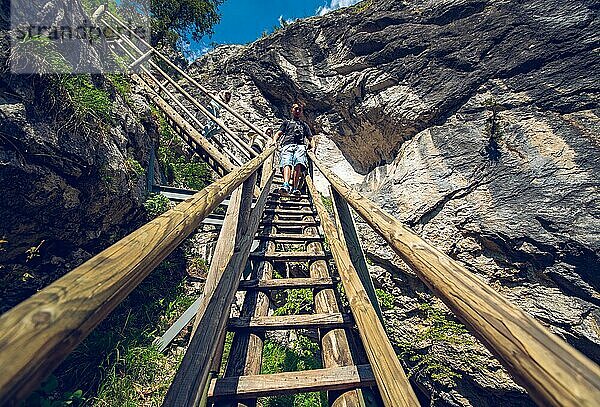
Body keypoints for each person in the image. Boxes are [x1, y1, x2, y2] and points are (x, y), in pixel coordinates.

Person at [272, 102, 314, 195]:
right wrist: (274, 141)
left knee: (298, 164)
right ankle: (286, 185)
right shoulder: (286, 122)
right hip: (287, 145)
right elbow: (279, 133)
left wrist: (313, 147)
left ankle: (294, 188)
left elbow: (310, 138)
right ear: (292, 110)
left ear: (302, 112)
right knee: (286, 163)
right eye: (296, 109)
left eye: (300, 109)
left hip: (300, 146)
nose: (298, 111)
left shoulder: (304, 125)